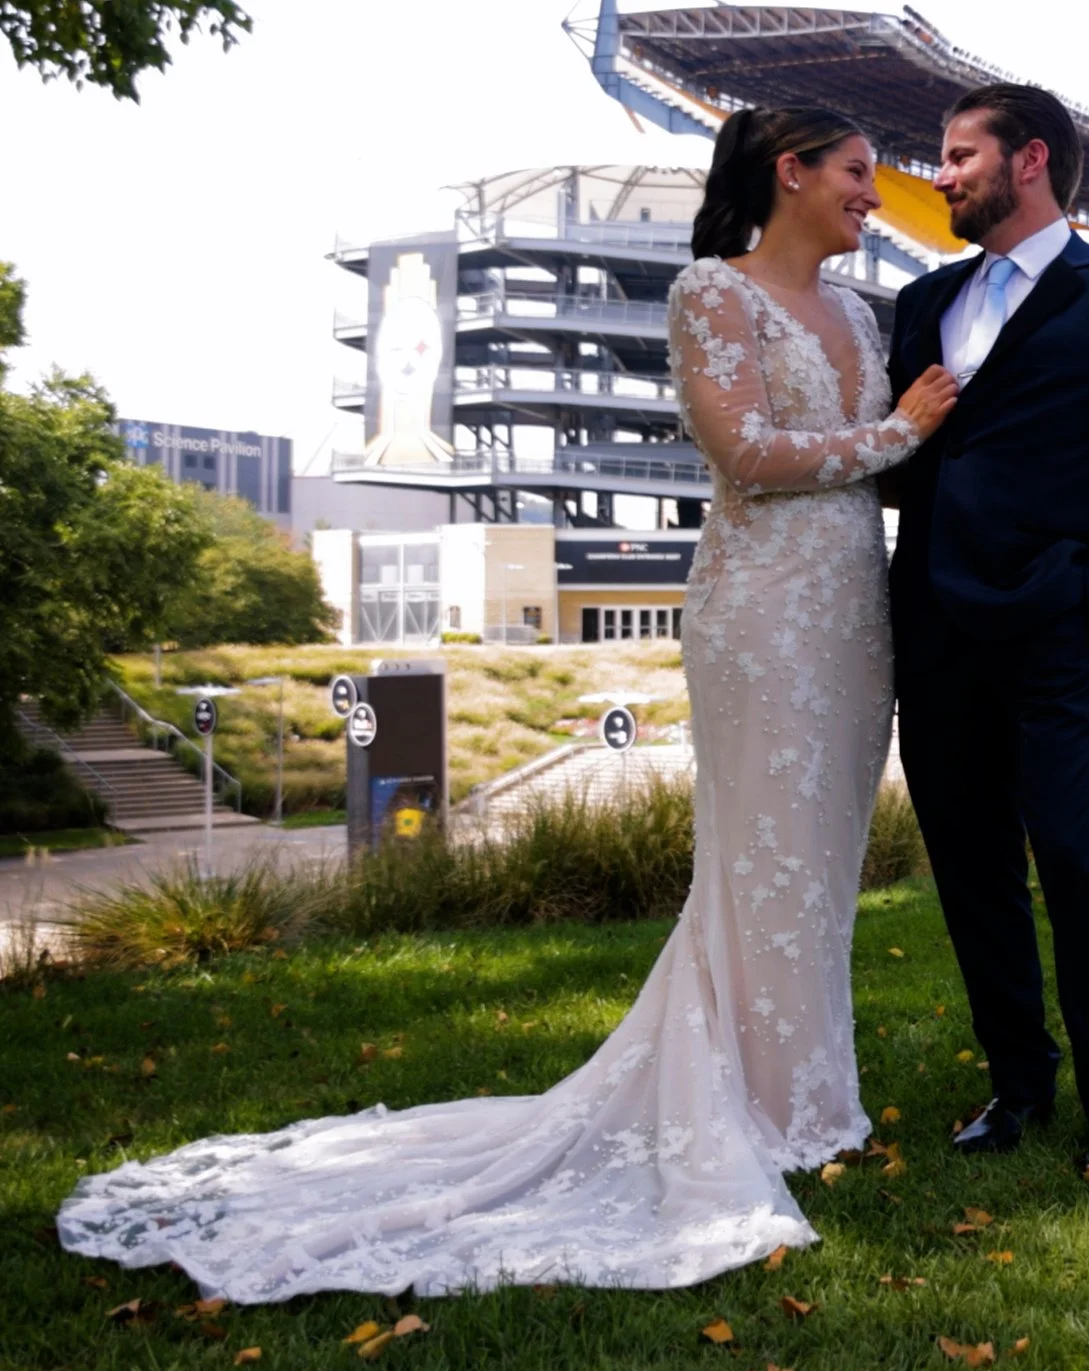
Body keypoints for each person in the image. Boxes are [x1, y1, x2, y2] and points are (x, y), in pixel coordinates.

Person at [54, 108, 957, 1302]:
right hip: (759, 617)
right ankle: (746, 1102)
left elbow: (867, 461)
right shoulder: (709, 294)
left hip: (853, 615)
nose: (873, 197)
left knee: (823, 857)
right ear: (789, 174)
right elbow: (745, 453)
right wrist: (901, 428)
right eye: (854, 175)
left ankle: (805, 1097)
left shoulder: (857, 311)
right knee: (757, 857)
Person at [886, 83, 1089, 1179]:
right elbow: (906, 464)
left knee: (1069, 859)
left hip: (1053, 631)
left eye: (957, 153)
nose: (940, 173)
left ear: (1027, 160)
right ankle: (1018, 1079)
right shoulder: (921, 301)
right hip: (931, 633)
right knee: (970, 871)